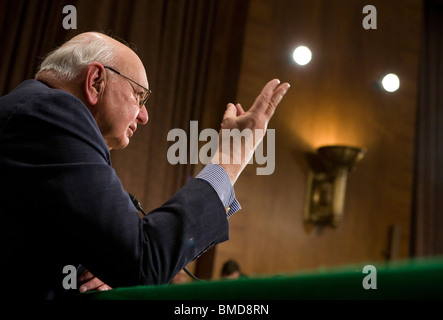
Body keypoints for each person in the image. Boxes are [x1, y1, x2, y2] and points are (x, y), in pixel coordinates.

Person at [0, 32, 290, 299]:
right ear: (95, 82)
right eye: (139, 95)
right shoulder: (51, 114)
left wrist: (106, 264)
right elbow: (144, 260)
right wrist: (231, 157)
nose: (144, 116)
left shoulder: (36, 118)